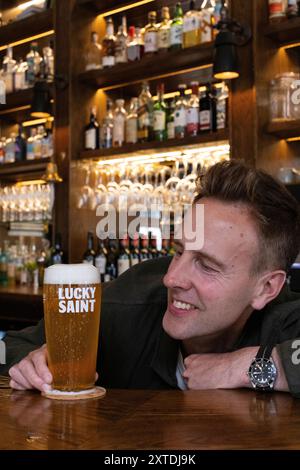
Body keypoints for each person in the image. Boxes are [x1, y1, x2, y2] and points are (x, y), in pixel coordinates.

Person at [2, 160, 300, 396]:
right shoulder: (125, 304)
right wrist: (29, 363)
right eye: (179, 251)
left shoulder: (287, 318)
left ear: (266, 288)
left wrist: (250, 367)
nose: (172, 278)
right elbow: (11, 346)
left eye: (207, 266)